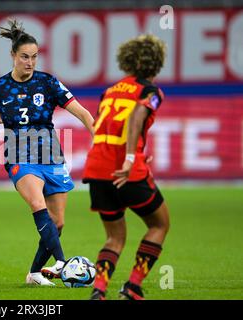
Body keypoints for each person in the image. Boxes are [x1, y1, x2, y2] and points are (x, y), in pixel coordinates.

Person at [0, 20, 95, 286]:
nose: (30, 62)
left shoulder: (48, 83)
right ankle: (61, 262)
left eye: (35, 56)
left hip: (51, 155)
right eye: (25, 56)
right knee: (38, 205)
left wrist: (100, 139)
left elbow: (82, 113)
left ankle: (34, 273)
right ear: (13, 55)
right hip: (19, 155)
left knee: (57, 223)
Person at [82, 34, 170, 300]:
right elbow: (136, 118)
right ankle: (132, 287)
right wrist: (132, 158)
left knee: (115, 236)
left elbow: (106, 128)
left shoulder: (109, 92)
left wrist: (138, 152)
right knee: (160, 224)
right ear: (156, 63)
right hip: (126, 169)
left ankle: (99, 290)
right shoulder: (150, 92)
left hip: (97, 170)